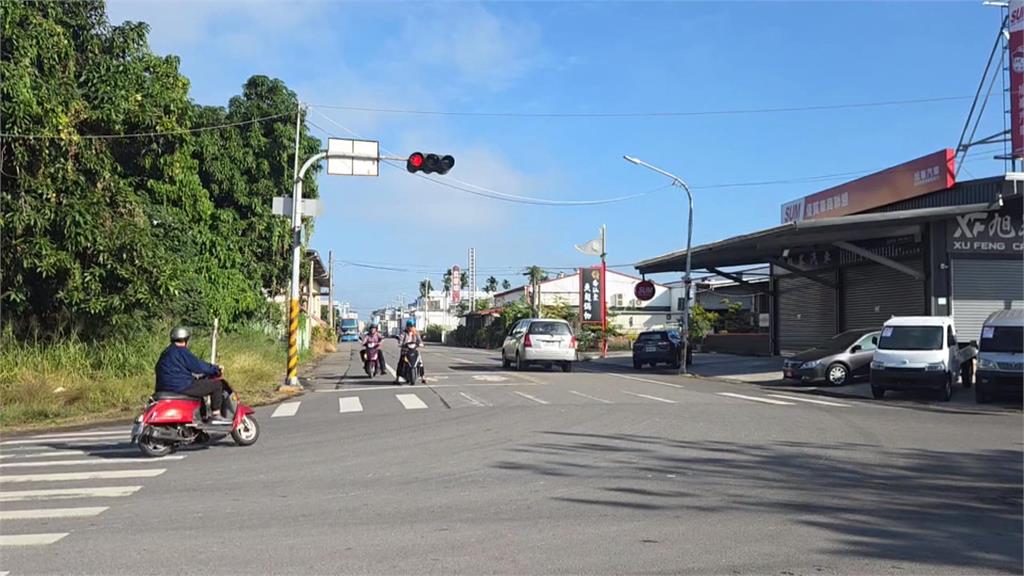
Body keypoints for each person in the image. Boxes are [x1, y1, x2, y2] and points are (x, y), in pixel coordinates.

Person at [154, 327, 229, 423]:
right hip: (180, 386)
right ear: (185, 340)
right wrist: (215, 369)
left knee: (198, 389)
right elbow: (198, 366)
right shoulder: (181, 351)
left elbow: (174, 371)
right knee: (217, 385)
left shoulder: (165, 353)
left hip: (163, 388)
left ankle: (201, 419)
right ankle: (216, 415)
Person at [395, 319, 425, 384]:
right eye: (408, 326)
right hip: (405, 351)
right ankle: (397, 378)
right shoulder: (403, 333)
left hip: (414, 351)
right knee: (400, 363)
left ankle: (423, 377)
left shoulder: (416, 333)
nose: (410, 327)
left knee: (420, 362)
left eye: (411, 326)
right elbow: (400, 339)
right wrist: (400, 343)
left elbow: (420, 341)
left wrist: (421, 344)